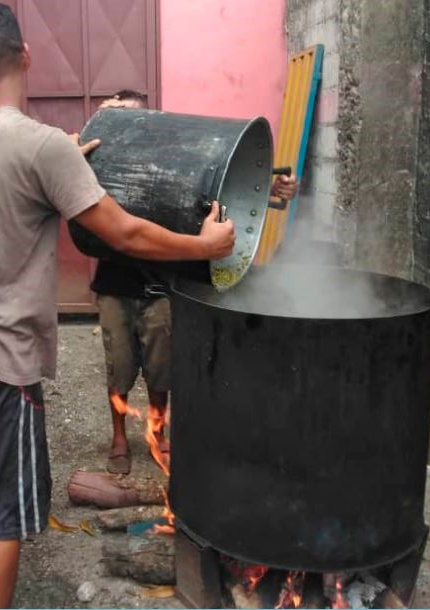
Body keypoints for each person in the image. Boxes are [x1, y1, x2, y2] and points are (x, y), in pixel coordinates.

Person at [0, 3, 234, 607]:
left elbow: (1, 166)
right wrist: (204, 244)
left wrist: (59, 157)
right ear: (26, 56)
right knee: (0, 513)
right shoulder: (42, 149)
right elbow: (126, 233)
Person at [90, 90, 300, 475]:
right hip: (115, 285)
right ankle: (119, 436)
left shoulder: (170, 163)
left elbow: (216, 190)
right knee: (118, 366)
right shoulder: (97, 161)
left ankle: (157, 432)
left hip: (160, 289)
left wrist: (269, 189)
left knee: (161, 369)